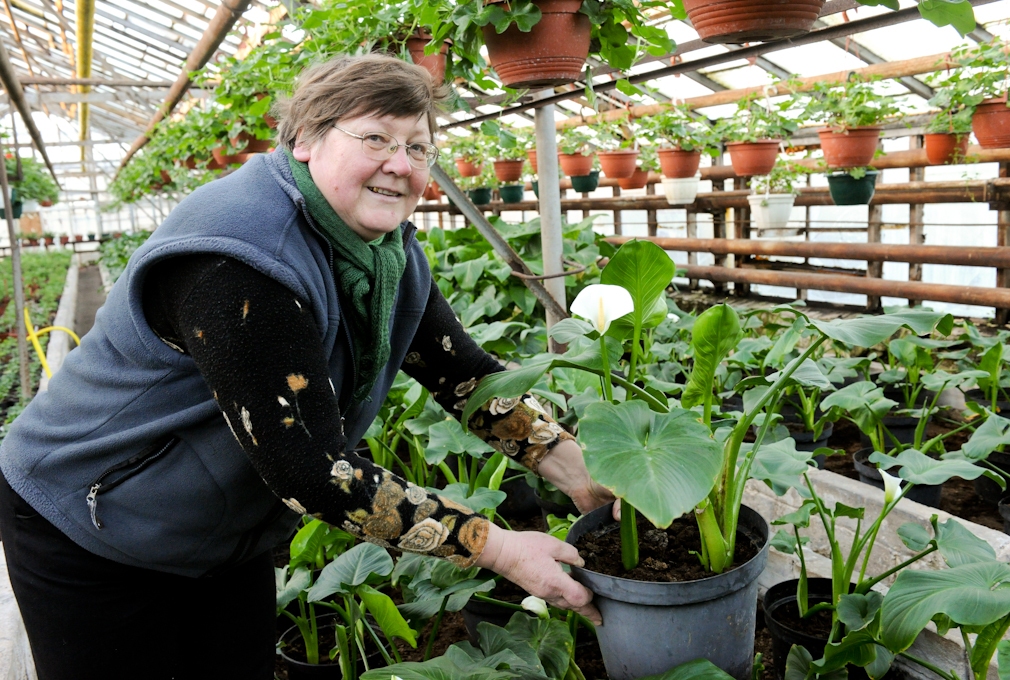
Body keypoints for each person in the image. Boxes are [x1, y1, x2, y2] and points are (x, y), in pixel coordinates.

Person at [0, 53, 615, 679]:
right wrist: (502, 548)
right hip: (90, 521)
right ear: (305, 139)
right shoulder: (237, 258)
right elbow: (314, 472)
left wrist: (575, 468)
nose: (399, 165)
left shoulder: (385, 250)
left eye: (419, 148)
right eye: (375, 137)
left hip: (219, 530)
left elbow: (465, 374)